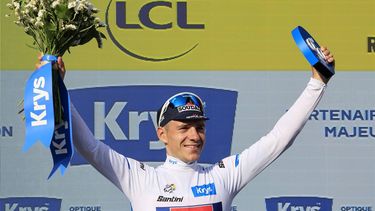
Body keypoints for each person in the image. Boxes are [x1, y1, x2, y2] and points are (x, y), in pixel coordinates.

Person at [49, 47, 334, 211]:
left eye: (199, 127)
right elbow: (89, 145)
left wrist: (317, 82)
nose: (194, 136)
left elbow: (279, 139)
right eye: (183, 128)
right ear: (162, 134)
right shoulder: (139, 178)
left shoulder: (224, 175)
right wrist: (56, 87)